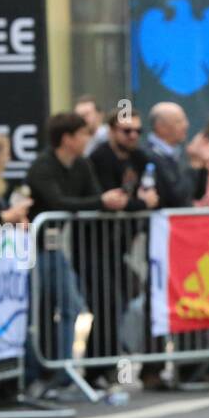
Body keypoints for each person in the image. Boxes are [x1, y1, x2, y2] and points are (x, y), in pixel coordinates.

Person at [24, 111, 128, 386]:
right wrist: (99, 201)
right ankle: (39, 372)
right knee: (40, 310)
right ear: (67, 138)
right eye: (83, 134)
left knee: (69, 305)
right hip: (32, 249)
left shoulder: (81, 164)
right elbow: (58, 202)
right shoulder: (42, 167)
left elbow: (91, 195)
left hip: (56, 247)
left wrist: (106, 201)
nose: (88, 139)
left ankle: (62, 371)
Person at [89, 108, 158, 212]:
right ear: (111, 131)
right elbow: (112, 201)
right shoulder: (100, 157)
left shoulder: (139, 156)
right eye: (127, 131)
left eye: (138, 131)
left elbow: (154, 194)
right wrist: (143, 203)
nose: (133, 135)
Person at [145, 102, 194, 208]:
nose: (186, 125)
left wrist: (201, 165)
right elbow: (175, 197)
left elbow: (197, 194)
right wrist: (195, 164)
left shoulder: (179, 153)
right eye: (179, 121)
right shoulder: (149, 156)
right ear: (161, 127)